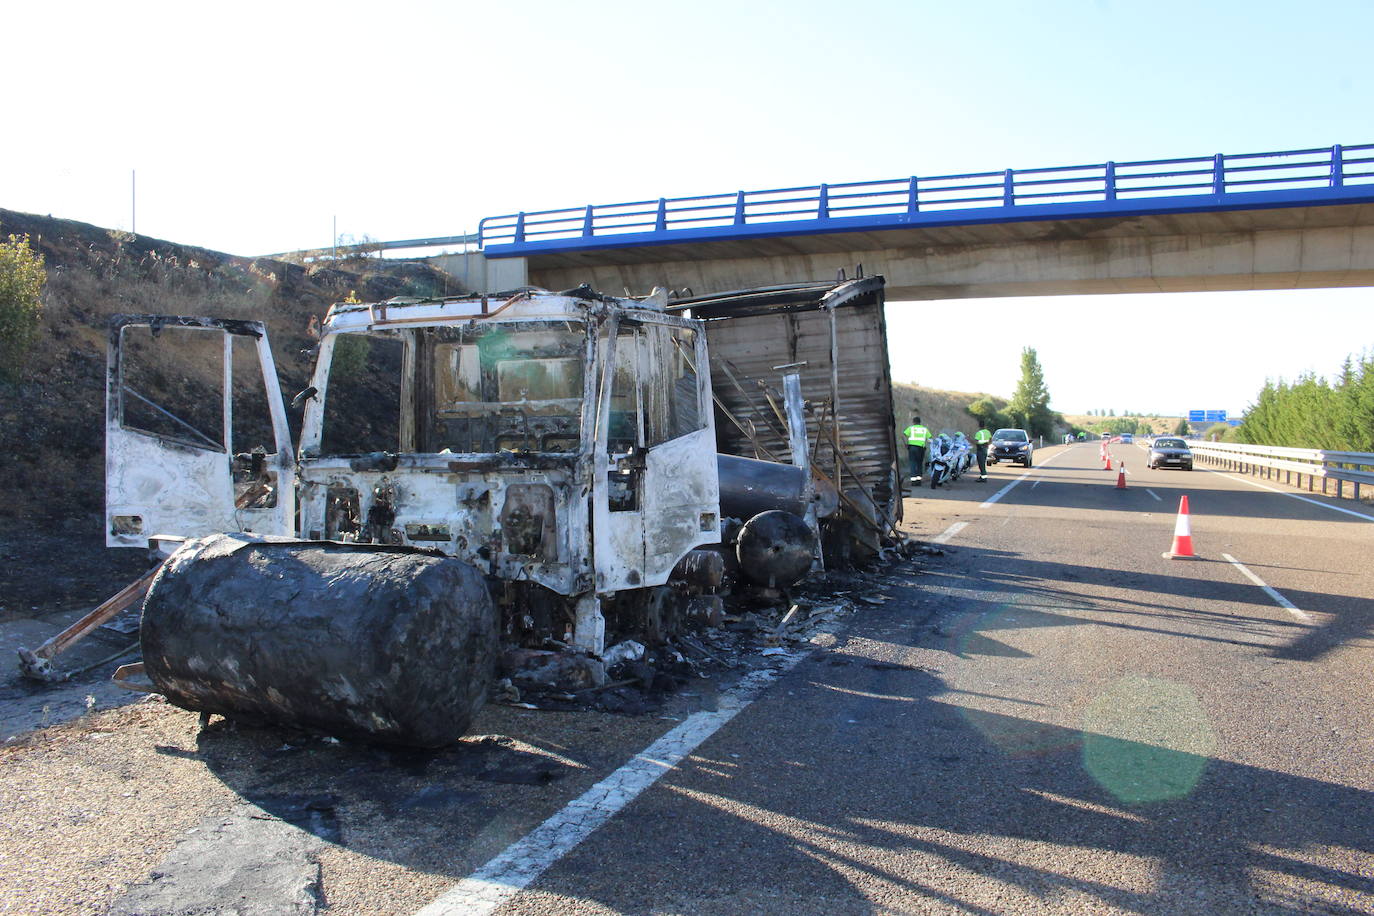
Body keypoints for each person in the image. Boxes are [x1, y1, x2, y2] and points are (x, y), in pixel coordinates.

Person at [902, 415, 930, 484]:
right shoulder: (924, 429)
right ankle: (919, 480)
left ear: (913, 422)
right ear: (920, 422)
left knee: (913, 463)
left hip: (912, 448)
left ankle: (913, 481)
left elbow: (903, 435)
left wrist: (906, 444)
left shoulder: (911, 428)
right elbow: (929, 438)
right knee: (919, 463)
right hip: (921, 448)